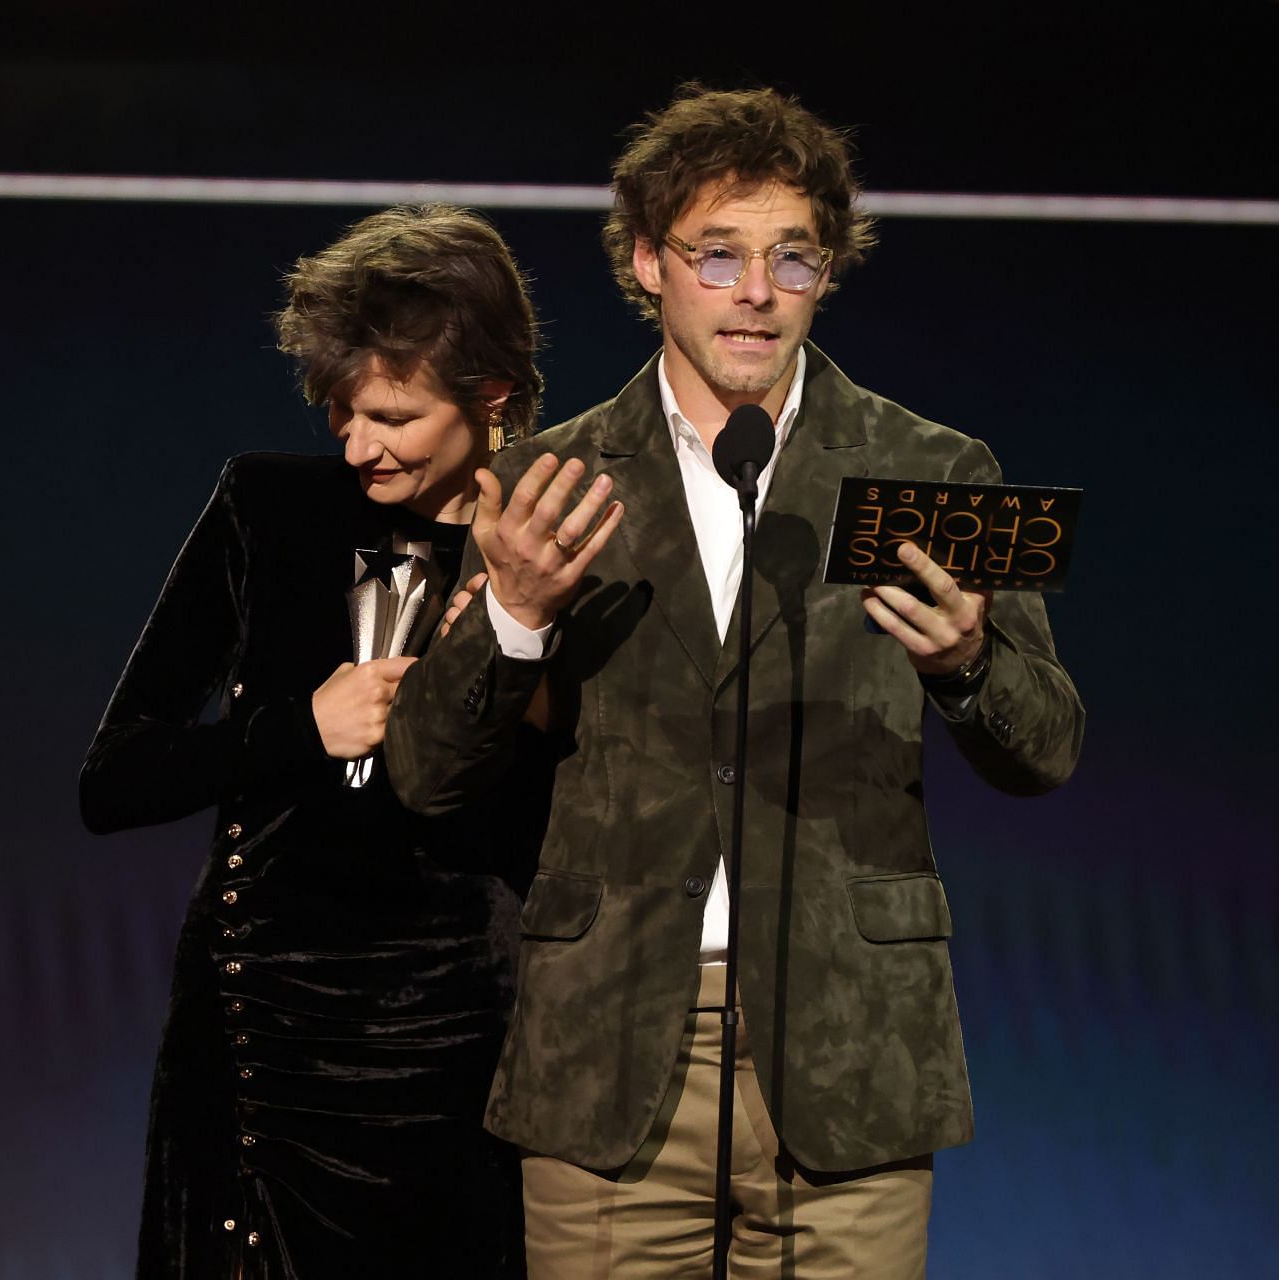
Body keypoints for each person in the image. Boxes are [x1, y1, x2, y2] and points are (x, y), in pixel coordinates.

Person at [385, 86, 1086, 1277]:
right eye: (719, 253)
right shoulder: (551, 477)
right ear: (650, 263)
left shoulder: (929, 470)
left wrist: (968, 662)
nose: (757, 291)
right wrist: (510, 615)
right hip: (609, 1052)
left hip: (849, 1046)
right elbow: (424, 773)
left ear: (827, 271)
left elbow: (1048, 748)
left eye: (792, 257)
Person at [79, 204, 542, 1279]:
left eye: (391, 413)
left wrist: (515, 638)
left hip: (457, 1052)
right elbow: (115, 779)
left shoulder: (556, 537)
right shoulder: (267, 508)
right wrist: (299, 728)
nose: (355, 443)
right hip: (261, 1049)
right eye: (340, 408)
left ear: (493, 399)